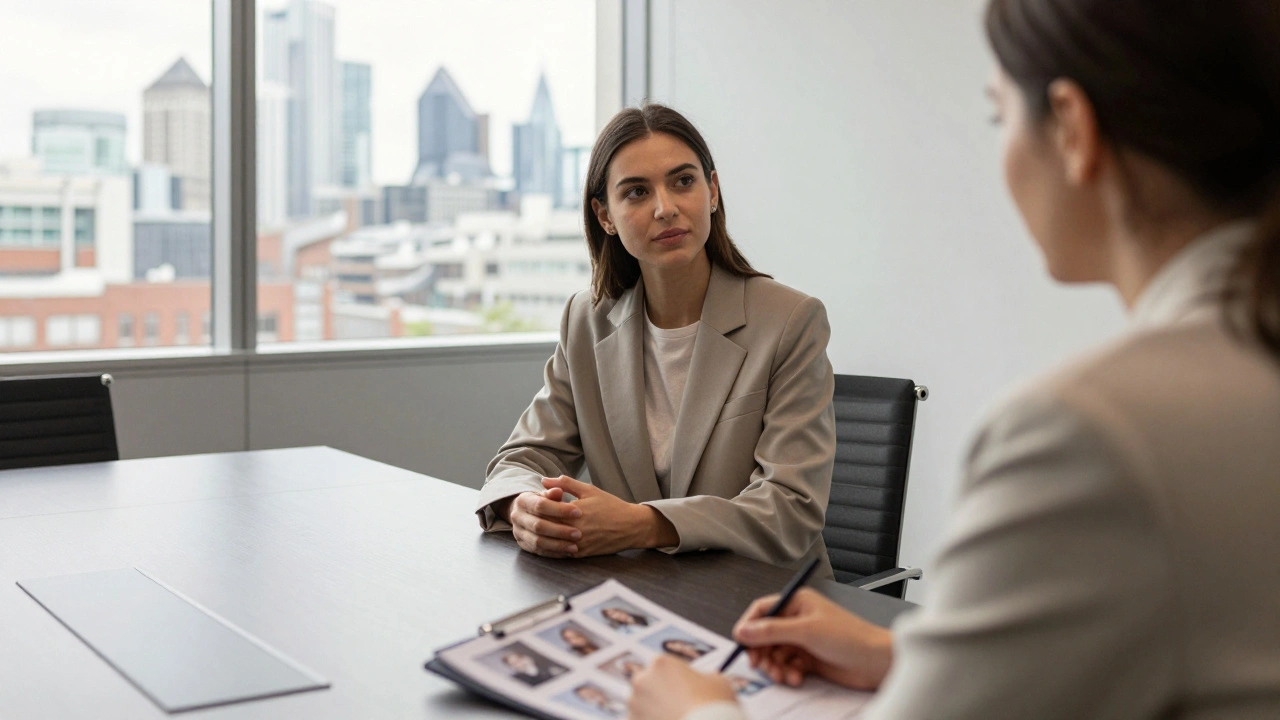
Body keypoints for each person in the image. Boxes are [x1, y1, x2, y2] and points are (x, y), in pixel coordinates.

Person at [630, 1, 1280, 719]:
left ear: (1071, 127)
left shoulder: (1085, 434)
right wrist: (905, 656)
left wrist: (695, 712)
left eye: (1001, 117)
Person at [474, 104, 836, 574]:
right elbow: (523, 457)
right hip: (640, 598)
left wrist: (641, 525)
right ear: (605, 216)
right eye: (637, 192)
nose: (665, 208)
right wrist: (521, 505)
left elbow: (791, 509)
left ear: (713, 191)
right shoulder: (586, 320)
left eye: (683, 181)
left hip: (763, 603)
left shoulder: (790, 320)